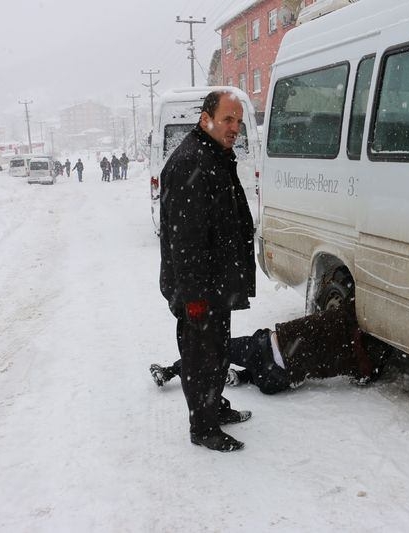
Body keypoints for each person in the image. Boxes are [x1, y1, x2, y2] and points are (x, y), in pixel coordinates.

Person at [159, 90, 255, 452]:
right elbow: (184, 241)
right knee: (201, 357)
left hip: (218, 281)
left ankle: (215, 406)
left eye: (238, 121)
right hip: (200, 288)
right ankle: (203, 427)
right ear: (206, 119)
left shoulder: (214, 154)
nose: (235, 128)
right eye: (228, 119)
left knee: (217, 352)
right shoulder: (191, 162)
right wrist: (194, 297)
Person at [150, 304, 389, 395]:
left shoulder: (342, 318)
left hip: (263, 347)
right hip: (277, 379)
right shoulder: (361, 364)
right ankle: (243, 376)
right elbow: (363, 376)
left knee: (215, 351)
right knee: (263, 371)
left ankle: (171, 371)